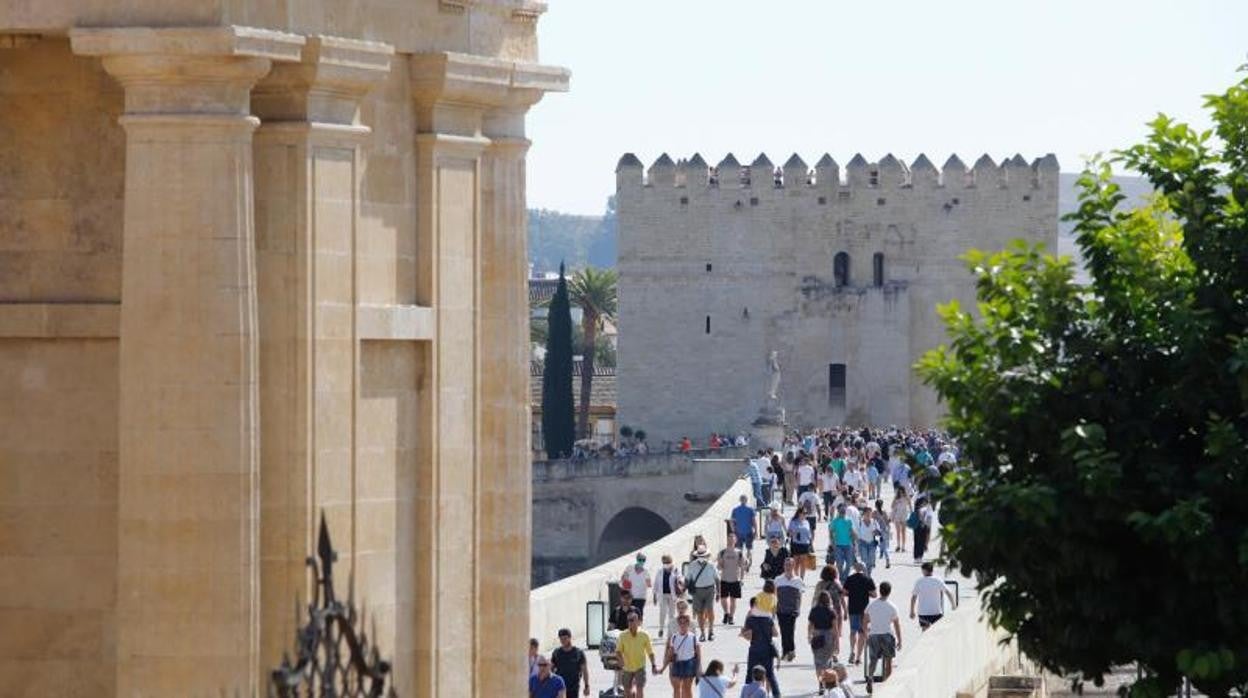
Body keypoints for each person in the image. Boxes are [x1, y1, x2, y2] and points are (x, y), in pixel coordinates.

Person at [863, 581, 902, 690]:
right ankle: (886, 685)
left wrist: (866, 634)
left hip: (874, 635)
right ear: (889, 592)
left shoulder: (871, 605)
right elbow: (896, 624)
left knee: (873, 660)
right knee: (888, 660)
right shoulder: (892, 606)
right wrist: (900, 640)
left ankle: (870, 677)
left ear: (879, 591)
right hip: (887, 635)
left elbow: (865, 620)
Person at [739, 601, 781, 698]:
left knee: (750, 673)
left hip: (754, 649)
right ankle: (777, 695)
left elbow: (748, 636)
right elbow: (775, 634)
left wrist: (743, 634)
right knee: (770, 675)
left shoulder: (750, 619)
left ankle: (747, 694)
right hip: (767, 650)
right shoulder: (769, 619)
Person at [656, 615, 701, 698]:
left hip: (688, 664)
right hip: (676, 664)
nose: (682, 625)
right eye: (680, 623)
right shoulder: (674, 637)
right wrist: (663, 668)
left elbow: (698, 655)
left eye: (685, 623)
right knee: (676, 688)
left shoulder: (693, 637)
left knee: (687, 689)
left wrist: (698, 670)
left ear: (688, 624)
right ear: (678, 624)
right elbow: (670, 654)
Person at [842, 562, 877, 665]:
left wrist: (851, 593)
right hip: (864, 609)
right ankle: (858, 657)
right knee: (862, 632)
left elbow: (844, 592)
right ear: (864, 569)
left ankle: (852, 651)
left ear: (854, 568)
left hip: (852, 608)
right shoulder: (868, 579)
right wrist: (867, 593)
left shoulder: (850, 579)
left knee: (853, 631)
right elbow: (874, 594)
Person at [617, 612, 656, 698]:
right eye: (629, 620)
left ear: (638, 621)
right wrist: (621, 661)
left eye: (632, 620)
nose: (630, 622)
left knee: (640, 688)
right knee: (627, 691)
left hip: (640, 666)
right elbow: (618, 651)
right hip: (627, 667)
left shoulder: (644, 635)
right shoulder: (623, 635)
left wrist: (653, 665)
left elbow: (650, 652)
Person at [813, 565, 846, 662]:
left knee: (823, 632)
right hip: (836, 612)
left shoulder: (819, 584)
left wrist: (814, 611)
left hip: (822, 613)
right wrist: (845, 611)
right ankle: (834, 653)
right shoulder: (837, 584)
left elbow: (815, 598)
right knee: (835, 633)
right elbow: (842, 598)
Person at [686, 545, 720, 641]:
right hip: (697, 591)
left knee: (710, 610)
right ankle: (702, 633)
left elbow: (717, 579)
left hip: (710, 590)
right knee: (700, 613)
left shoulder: (711, 565)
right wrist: (685, 590)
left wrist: (718, 593)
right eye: (700, 556)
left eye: (703, 555)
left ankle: (711, 631)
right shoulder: (692, 565)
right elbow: (688, 579)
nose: (702, 558)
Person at [774, 558, 804, 662]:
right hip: (781, 609)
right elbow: (774, 595)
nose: (788, 567)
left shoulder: (798, 580)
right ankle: (785, 651)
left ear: (794, 566)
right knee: (783, 631)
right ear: (784, 566)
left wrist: (798, 608)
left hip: (792, 609)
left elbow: (799, 596)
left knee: (790, 631)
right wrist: (774, 609)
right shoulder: (778, 579)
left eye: (790, 565)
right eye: (786, 565)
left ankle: (791, 650)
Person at [910, 561, 956, 630]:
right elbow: (948, 592)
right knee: (937, 634)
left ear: (924, 570)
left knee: (925, 634)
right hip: (936, 612)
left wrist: (912, 611)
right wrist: (953, 605)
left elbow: (914, 597)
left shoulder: (919, 581)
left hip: (923, 613)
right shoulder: (938, 580)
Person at [807, 591, 837, 685]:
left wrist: (809, 635)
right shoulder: (831, 611)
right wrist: (836, 642)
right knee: (828, 661)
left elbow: (810, 624)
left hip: (817, 635)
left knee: (818, 661)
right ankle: (828, 681)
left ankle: (820, 682)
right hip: (828, 635)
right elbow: (835, 628)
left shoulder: (814, 610)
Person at [718, 533, 748, 625]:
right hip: (724, 578)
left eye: (733, 538)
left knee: (733, 600)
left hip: (735, 579)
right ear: (727, 540)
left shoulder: (739, 552)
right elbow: (719, 567)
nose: (731, 540)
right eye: (729, 538)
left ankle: (731, 616)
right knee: (723, 599)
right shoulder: (722, 552)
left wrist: (742, 579)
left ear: (736, 540)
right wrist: (720, 564)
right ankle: (726, 613)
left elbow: (743, 567)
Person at [550, 628, 590, 697]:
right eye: (561, 639)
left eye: (565, 638)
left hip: (573, 688)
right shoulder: (556, 653)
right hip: (559, 688)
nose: (563, 641)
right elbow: (550, 670)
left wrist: (586, 686)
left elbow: (584, 670)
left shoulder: (579, 653)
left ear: (570, 638)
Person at [654, 554, 685, 639]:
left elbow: (681, 578)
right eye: (664, 562)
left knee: (672, 614)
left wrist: (680, 581)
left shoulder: (675, 570)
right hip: (663, 594)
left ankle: (671, 631)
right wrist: (654, 595)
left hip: (672, 595)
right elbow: (656, 583)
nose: (666, 563)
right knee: (662, 612)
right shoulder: (660, 571)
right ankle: (661, 629)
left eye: (668, 562)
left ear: (671, 561)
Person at [622, 554, 652, 619]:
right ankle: (629, 627)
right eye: (640, 560)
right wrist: (625, 581)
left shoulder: (646, 571)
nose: (641, 561)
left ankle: (639, 627)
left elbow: (649, 585)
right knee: (629, 613)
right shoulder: (630, 568)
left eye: (643, 560)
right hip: (630, 596)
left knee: (639, 613)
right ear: (637, 559)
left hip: (641, 597)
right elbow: (624, 577)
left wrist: (648, 582)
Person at [829, 505, 855, 579]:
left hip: (848, 545)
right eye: (841, 511)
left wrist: (854, 543)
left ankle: (845, 576)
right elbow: (831, 532)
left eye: (843, 512)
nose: (842, 513)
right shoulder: (835, 521)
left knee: (849, 563)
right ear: (838, 512)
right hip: (838, 545)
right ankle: (841, 576)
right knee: (839, 563)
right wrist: (832, 543)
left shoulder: (849, 521)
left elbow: (851, 532)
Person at [786, 509, 813, 578]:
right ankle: (796, 577)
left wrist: (811, 543)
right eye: (804, 513)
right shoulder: (793, 521)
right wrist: (793, 533)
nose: (805, 515)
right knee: (796, 562)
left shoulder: (807, 522)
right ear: (799, 513)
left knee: (803, 563)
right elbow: (789, 532)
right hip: (796, 544)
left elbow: (809, 533)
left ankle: (802, 578)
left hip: (805, 544)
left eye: (806, 513)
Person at [855, 509, 879, 577]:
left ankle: (868, 573)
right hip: (863, 543)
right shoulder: (860, 522)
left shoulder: (874, 522)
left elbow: (878, 531)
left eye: (870, 514)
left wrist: (876, 532)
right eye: (867, 514)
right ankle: (866, 575)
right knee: (864, 560)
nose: (868, 515)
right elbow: (857, 533)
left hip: (872, 543)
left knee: (871, 561)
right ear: (864, 514)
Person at [912, 496, 933, 562]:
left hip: (921, 527)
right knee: (919, 542)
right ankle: (918, 556)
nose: (925, 503)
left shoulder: (921, 508)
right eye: (924, 502)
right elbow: (923, 518)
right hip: (920, 526)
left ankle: (918, 556)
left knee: (920, 542)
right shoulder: (921, 509)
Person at [873, 500, 891, 569]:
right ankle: (887, 560)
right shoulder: (885, 512)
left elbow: (873, 522)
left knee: (875, 545)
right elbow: (888, 522)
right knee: (885, 546)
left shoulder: (874, 513)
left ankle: (874, 562)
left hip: (877, 531)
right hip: (885, 531)